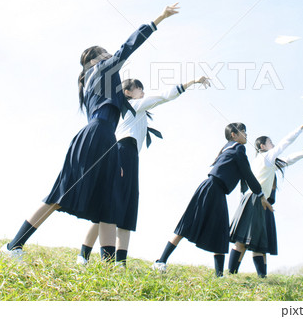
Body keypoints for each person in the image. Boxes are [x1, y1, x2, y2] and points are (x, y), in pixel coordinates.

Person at [0, 3, 179, 262]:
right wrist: (159, 18)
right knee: (60, 194)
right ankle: (13, 245)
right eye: (104, 53)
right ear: (94, 60)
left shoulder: (100, 80)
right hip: (96, 135)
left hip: (107, 138)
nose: (109, 55)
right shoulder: (100, 70)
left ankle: (106, 268)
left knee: (107, 203)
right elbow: (127, 48)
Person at [76, 75, 211, 266]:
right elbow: (163, 96)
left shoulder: (131, 111)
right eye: (140, 89)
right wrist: (193, 81)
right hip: (123, 154)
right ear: (127, 93)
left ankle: (117, 262)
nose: (144, 93)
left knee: (125, 208)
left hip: (130, 156)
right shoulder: (133, 105)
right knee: (110, 208)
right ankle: (85, 255)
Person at [152, 123, 273, 277]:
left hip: (215, 190)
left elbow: (244, 178)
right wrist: (261, 195)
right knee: (188, 224)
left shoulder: (229, 148)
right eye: (243, 131)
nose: (246, 134)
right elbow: (248, 174)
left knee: (218, 230)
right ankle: (160, 261)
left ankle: (219, 275)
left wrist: (250, 194)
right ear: (234, 135)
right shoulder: (238, 148)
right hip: (212, 188)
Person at [228, 115, 303, 277]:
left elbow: (288, 160)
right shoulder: (267, 157)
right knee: (247, 241)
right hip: (255, 200)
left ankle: (243, 275)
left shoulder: (265, 161)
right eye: (271, 142)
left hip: (252, 200)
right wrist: (301, 127)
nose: (274, 145)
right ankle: (235, 274)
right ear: (263, 146)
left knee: (254, 242)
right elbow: (286, 142)